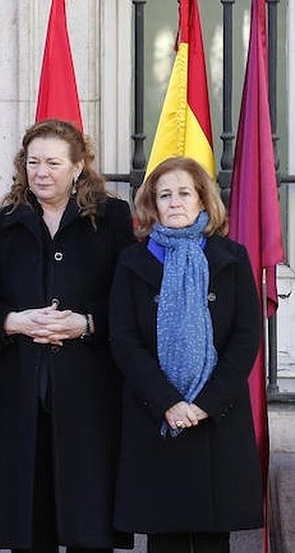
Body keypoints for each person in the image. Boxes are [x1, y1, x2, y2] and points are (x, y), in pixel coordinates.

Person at [0, 119, 135, 552]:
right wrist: (13, 321)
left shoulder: (112, 218)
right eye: (33, 162)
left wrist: (86, 323)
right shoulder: (4, 221)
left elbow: (130, 301)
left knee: (88, 525)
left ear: (78, 166)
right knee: (28, 528)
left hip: (90, 391)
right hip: (21, 390)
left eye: (52, 162)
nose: (41, 172)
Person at [109, 157, 263, 553]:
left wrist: (205, 404)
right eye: (164, 195)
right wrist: (169, 402)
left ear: (202, 200)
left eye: (183, 193)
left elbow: (246, 337)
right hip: (156, 417)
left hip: (216, 418)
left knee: (214, 538)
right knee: (165, 536)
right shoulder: (133, 262)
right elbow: (124, 339)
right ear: (152, 205)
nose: (175, 202)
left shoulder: (232, 257)